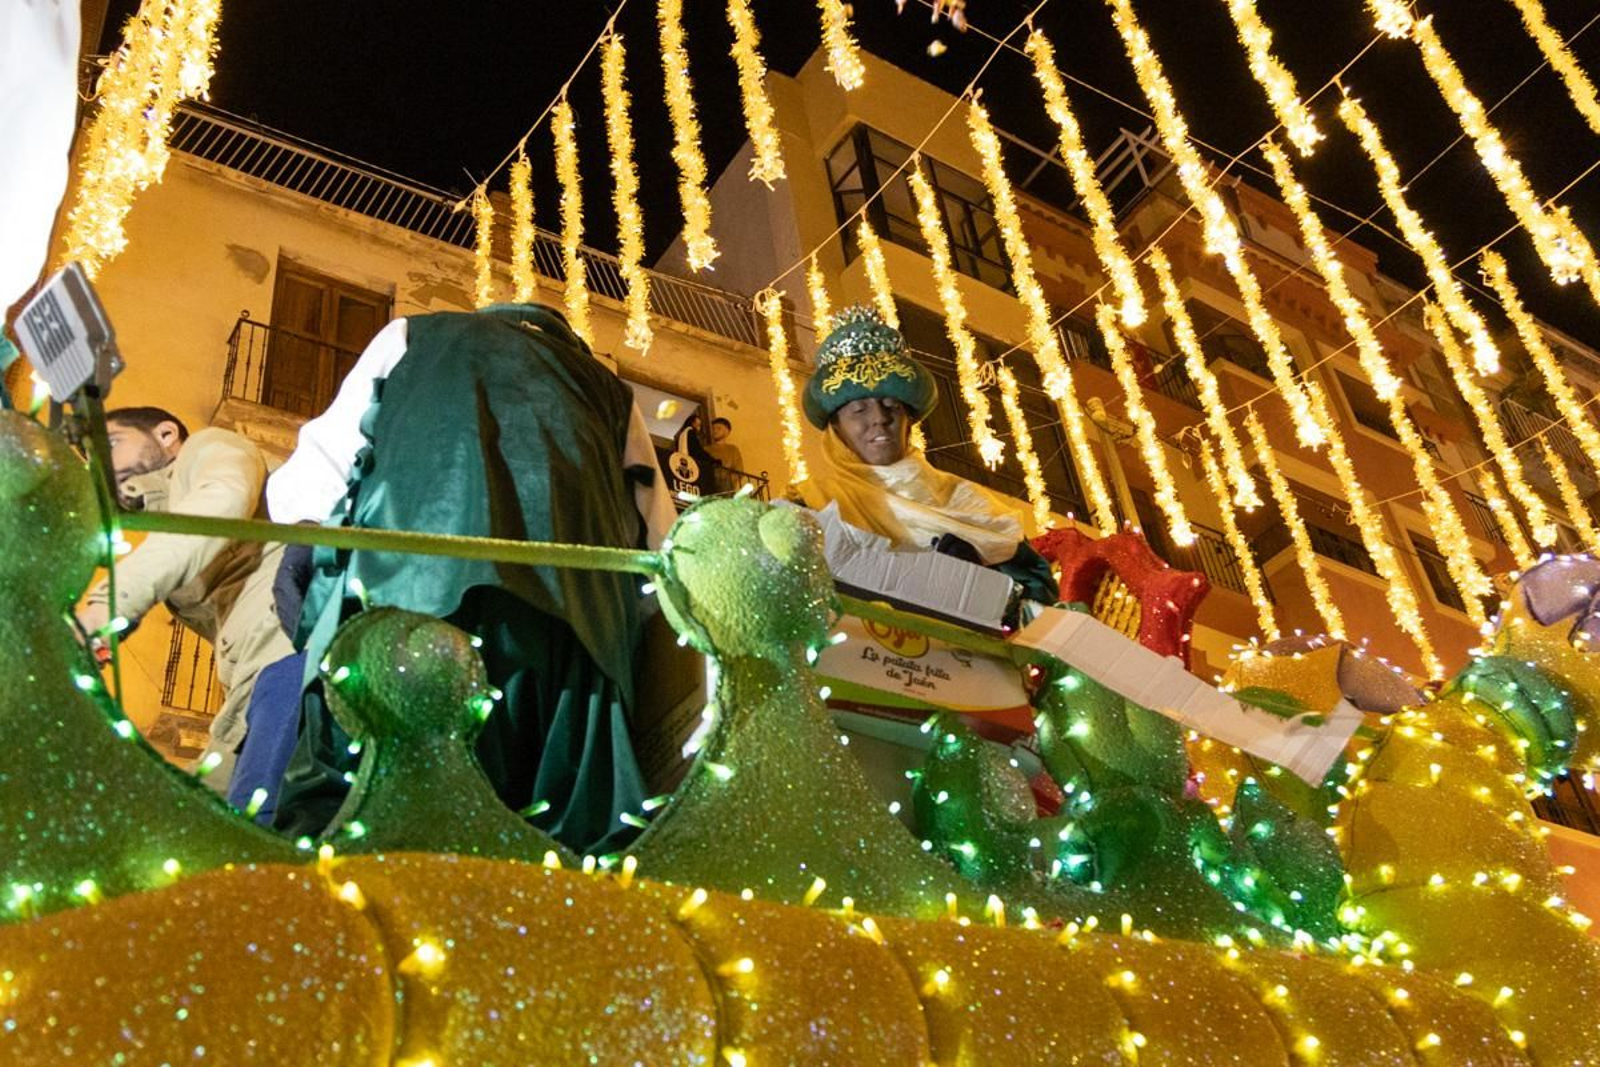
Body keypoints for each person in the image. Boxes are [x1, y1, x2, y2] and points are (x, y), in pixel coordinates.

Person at [265, 302, 675, 854]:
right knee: (541, 843)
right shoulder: (611, 393)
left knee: (370, 817)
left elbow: (319, 471)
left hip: (406, 609)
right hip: (570, 651)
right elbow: (659, 542)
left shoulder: (413, 334)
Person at [76, 407, 292, 793]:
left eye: (112, 444)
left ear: (166, 434)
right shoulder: (167, 520)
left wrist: (107, 607)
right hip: (253, 676)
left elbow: (222, 501)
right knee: (203, 807)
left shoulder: (206, 447)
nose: (101, 465)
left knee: (242, 809)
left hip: (284, 648)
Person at [793, 306, 1057, 604]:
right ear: (836, 428)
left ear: (909, 421)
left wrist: (981, 577)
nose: (879, 418)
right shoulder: (812, 505)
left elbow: (1039, 599)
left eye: (891, 406)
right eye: (859, 410)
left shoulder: (970, 503)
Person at [706, 416, 745, 491]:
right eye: (713, 429)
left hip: (727, 489)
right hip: (709, 487)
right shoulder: (706, 449)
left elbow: (739, 470)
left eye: (718, 428)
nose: (715, 431)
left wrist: (727, 481)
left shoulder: (733, 449)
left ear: (726, 431)